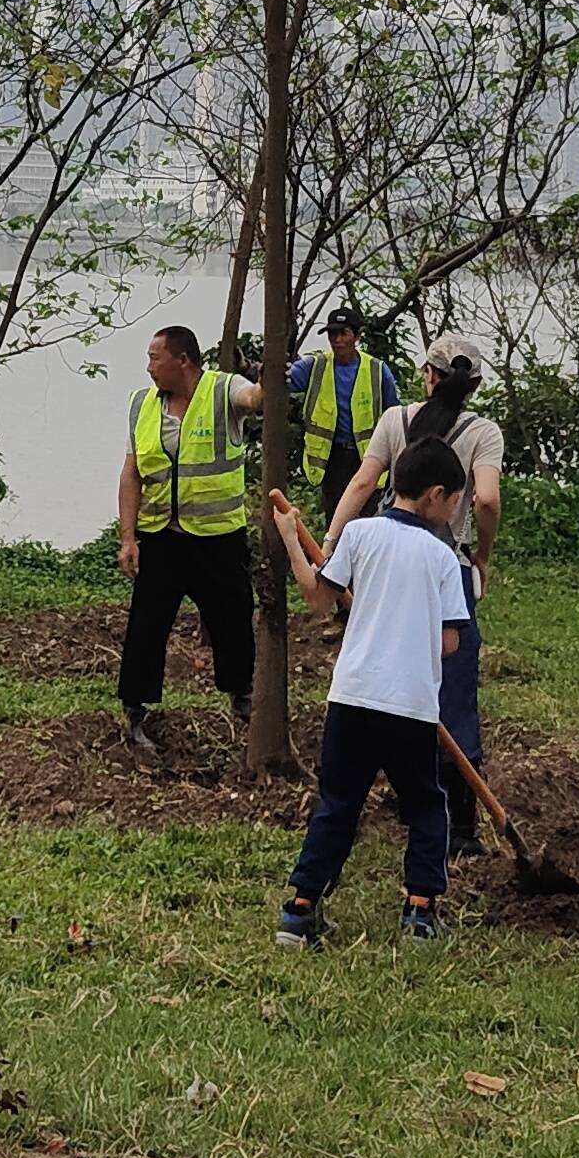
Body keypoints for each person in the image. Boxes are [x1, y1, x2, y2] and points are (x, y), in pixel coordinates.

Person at [263, 435, 474, 946]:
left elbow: (317, 599)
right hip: (410, 706)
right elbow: (449, 642)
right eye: (453, 502)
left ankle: (300, 908)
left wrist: (293, 539)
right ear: (435, 494)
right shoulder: (442, 558)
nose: (452, 512)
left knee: (337, 803)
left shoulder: (358, 535)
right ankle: (420, 912)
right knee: (425, 804)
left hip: (353, 697)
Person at [335, 334, 505, 847]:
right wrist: (482, 558)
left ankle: (385, 797)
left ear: (426, 375)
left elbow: (363, 484)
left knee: (383, 672)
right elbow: (488, 501)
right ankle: (461, 826)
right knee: (452, 685)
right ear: (472, 386)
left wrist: (333, 538)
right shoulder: (484, 432)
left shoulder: (394, 421)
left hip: (384, 564)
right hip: (444, 567)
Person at [115, 324, 263, 754]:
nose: (148, 368)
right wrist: (129, 538)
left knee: (234, 617)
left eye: (155, 358)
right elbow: (131, 472)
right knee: (147, 624)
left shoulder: (223, 390)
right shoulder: (142, 404)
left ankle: (242, 696)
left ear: (183, 360)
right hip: (161, 537)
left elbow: (254, 400)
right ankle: (136, 709)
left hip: (218, 537)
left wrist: (266, 377)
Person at [291, 307, 403, 507]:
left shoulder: (377, 370)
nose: (337, 340)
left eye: (343, 333)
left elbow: (394, 417)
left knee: (366, 517)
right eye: (333, 334)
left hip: (368, 459)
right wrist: (252, 369)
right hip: (331, 459)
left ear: (357, 336)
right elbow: (283, 378)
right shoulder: (316, 366)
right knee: (335, 519)